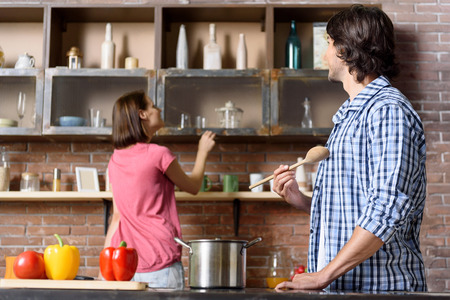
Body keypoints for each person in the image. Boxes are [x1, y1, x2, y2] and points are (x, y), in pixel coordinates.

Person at [273, 5, 427, 292]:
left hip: (379, 290)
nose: (324, 54)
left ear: (346, 49)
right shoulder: (351, 116)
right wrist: (304, 201)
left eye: (329, 44)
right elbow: (357, 209)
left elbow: (387, 208)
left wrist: (322, 276)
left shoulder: (387, 110)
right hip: (347, 288)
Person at [103, 90, 215, 289]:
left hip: (125, 265)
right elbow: (193, 186)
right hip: (160, 260)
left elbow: (117, 216)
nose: (158, 109)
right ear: (142, 114)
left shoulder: (115, 160)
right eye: (153, 106)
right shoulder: (158, 154)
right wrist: (202, 151)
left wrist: (103, 266)